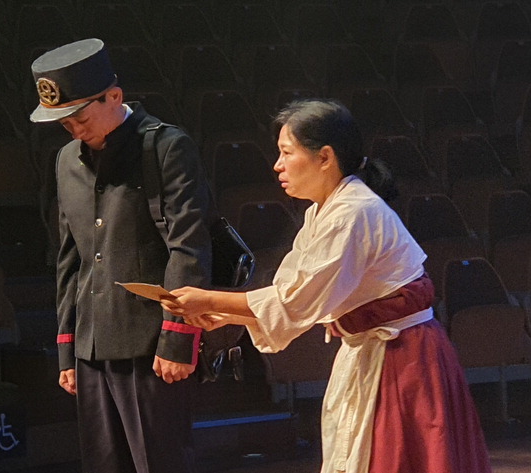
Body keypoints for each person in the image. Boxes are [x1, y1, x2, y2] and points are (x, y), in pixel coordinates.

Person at [161, 99, 493, 473]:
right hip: (375, 352)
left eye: (287, 153)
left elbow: (295, 300)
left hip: (403, 358)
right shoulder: (325, 210)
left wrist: (208, 299)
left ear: (324, 157)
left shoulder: (353, 212)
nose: (277, 165)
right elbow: (293, 290)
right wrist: (226, 315)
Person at [30, 38, 212, 473]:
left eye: (80, 118)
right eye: (64, 123)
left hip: (151, 345)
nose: (74, 130)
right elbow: (70, 259)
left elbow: (188, 246)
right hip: (92, 347)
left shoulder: (165, 147)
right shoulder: (66, 161)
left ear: (113, 96)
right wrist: (67, 349)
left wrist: (177, 337)